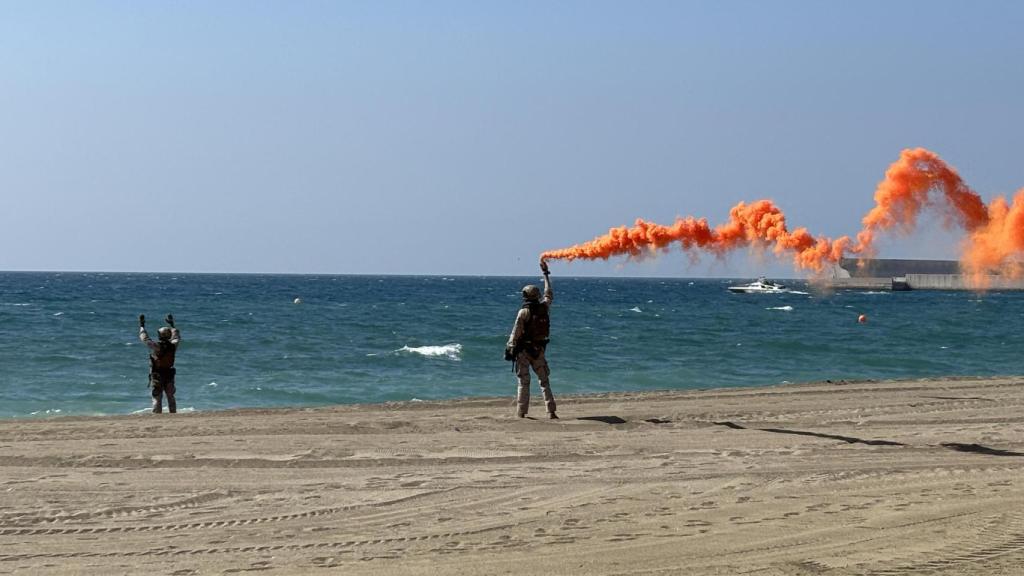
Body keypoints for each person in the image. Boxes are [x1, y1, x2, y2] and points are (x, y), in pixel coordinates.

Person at [505, 260, 557, 419]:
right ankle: (551, 411)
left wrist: (509, 348)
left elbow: (515, 333)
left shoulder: (523, 313)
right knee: (544, 381)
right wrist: (546, 274)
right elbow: (549, 293)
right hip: (539, 350)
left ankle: (521, 412)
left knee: (524, 382)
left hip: (523, 351)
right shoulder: (544, 307)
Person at [139, 313, 181, 413]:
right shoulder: (173, 346)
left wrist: (142, 326)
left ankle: (157, 416)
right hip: (169, 374)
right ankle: (173, 414)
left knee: (157, 397)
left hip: (157, 375)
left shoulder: (156, 346)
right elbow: (177, 336)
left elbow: (145, 338)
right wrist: (172, 325)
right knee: (171, 396)